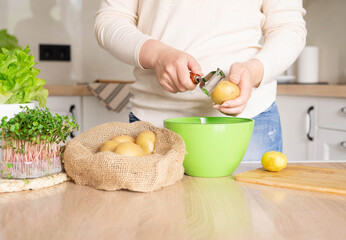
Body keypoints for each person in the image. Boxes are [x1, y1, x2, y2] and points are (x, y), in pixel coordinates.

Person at [94, 0, 306, 161]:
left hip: (248, 121)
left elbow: (288, 27)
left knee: (251, 216)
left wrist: (255, 71)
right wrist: (157, 54)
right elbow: (111, 19)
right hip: (154, 125)